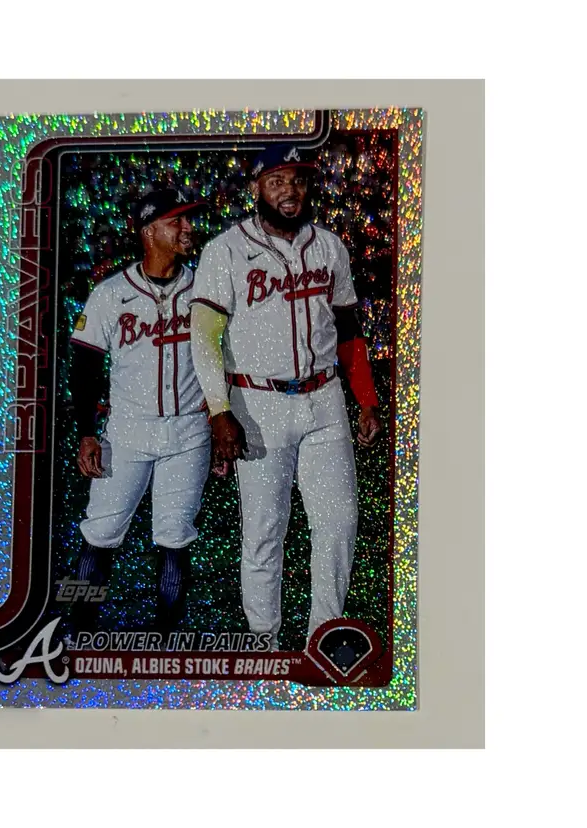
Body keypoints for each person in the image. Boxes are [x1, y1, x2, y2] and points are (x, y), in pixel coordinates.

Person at [189, 144, 382, 650]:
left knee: (339, 522)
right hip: (258, 403)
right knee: (264, 529)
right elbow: (204, 337)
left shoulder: (329, 247)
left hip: (325, 399)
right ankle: (263, 642)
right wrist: (219, 410)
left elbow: (348, 330)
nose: (289, 191)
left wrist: (365, 398)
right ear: (257, 188)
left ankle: (324, 636)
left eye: (297, 180)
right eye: (276, 181)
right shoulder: (225, 250)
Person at [68, 188, 210, 638]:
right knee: (100, 532)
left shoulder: (205, 289)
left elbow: (226, 359)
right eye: (176, 221)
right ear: (149, 231)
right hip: (127, 432)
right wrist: (87, 433)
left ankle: (167, 642)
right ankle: (77, 633)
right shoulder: (111, 293)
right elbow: (84, 367)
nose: (188, 228)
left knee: (176, 536)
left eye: (188, 220)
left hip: (189, 431)